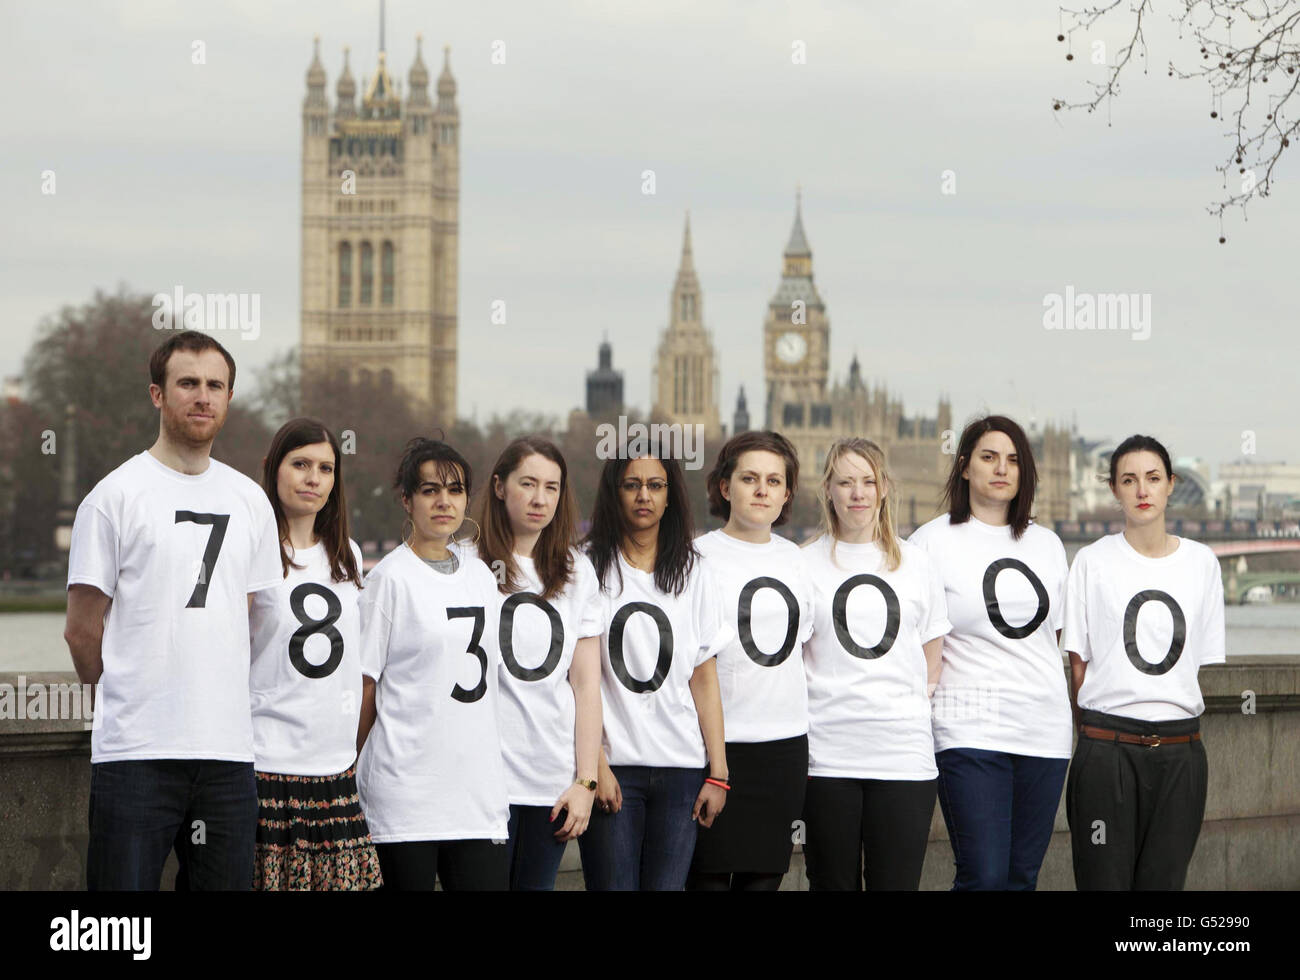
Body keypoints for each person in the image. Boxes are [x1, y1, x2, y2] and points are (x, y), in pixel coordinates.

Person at [65, 330, 282, 890]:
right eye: (187, 383)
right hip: (136, 753)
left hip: (228, 754)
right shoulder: (114, 497)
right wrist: (128, 695)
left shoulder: (249, 500)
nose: (202, 396)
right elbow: (81, 630)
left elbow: (259, 620)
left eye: (215, 385)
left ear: (229, 398)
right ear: (158, 395)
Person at [909, 415, 1071, 891]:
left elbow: (1054, 637)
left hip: (1042, 731)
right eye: (988, 457)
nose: (1002, 468)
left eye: (1014, 460)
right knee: (983, 874)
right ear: (963, 468)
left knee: (1021, 877)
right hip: (968, 729)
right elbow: (916, 643)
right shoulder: (930, 543)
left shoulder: (1047, 544)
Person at [1063, 435, 1224, 890]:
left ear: (1171, 484)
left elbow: (1193, 666)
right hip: (1106, 749)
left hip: (1181, 754)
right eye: (1129, 480)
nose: (1142, 490)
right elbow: (1080, 665)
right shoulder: (1091, 562)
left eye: (1153, 478)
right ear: (1114, 489)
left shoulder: (1202, 564)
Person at [355, 437, 510, 890]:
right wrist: (348, 772)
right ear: (407, 500)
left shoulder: (482, 575)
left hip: (477, 798)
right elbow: (365, 687)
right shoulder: (388, 580)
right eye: (429, 490)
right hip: (405, 798)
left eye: (455, 490)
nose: (444, 501)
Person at [577, 452, 732, 891]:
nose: (644, 495)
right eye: (631, 484)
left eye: (656, 485)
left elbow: (703, 677)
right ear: (614, 493)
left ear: (670, 497)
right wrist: (594, 766)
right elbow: (576, 681)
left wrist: (717, 771)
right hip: (614, 768)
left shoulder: (695, 570)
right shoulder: (585, 568)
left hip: (680, 769)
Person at [801, 438, 950, 890]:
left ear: (884, 488)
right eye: (846, 482)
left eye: (868, 481)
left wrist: (897, 705)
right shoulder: (803, 564)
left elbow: (932, 657)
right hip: (826, 761)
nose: (858, 493)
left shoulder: (917, 563)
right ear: (828, 489)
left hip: (903, 759)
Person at [248, 418, 382, 890]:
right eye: (300, 464)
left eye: (325, 468)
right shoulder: (252, 550)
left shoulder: (345, 552)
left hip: (334, 770)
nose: (313, 478)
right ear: (274, 469)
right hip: (268, 765)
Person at [473, 436, 603, 891]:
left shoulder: (577, 572)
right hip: (479, 782)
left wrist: (585, 781)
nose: (540, 498)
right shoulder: (465, 565)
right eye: (528, 483)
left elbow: (586, 685)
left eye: (552, 487)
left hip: (548, 783)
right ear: (499, 487)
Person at [686, 431, 813, 892]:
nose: (762, 490)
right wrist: (715, 767)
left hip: (783, 749)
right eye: (750, 478)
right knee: (708, 880)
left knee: (763, 881)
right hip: (717, 749)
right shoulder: (696, 558)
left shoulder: (798, 561)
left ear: (786, 494)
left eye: (774, 481)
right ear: (725, 488)